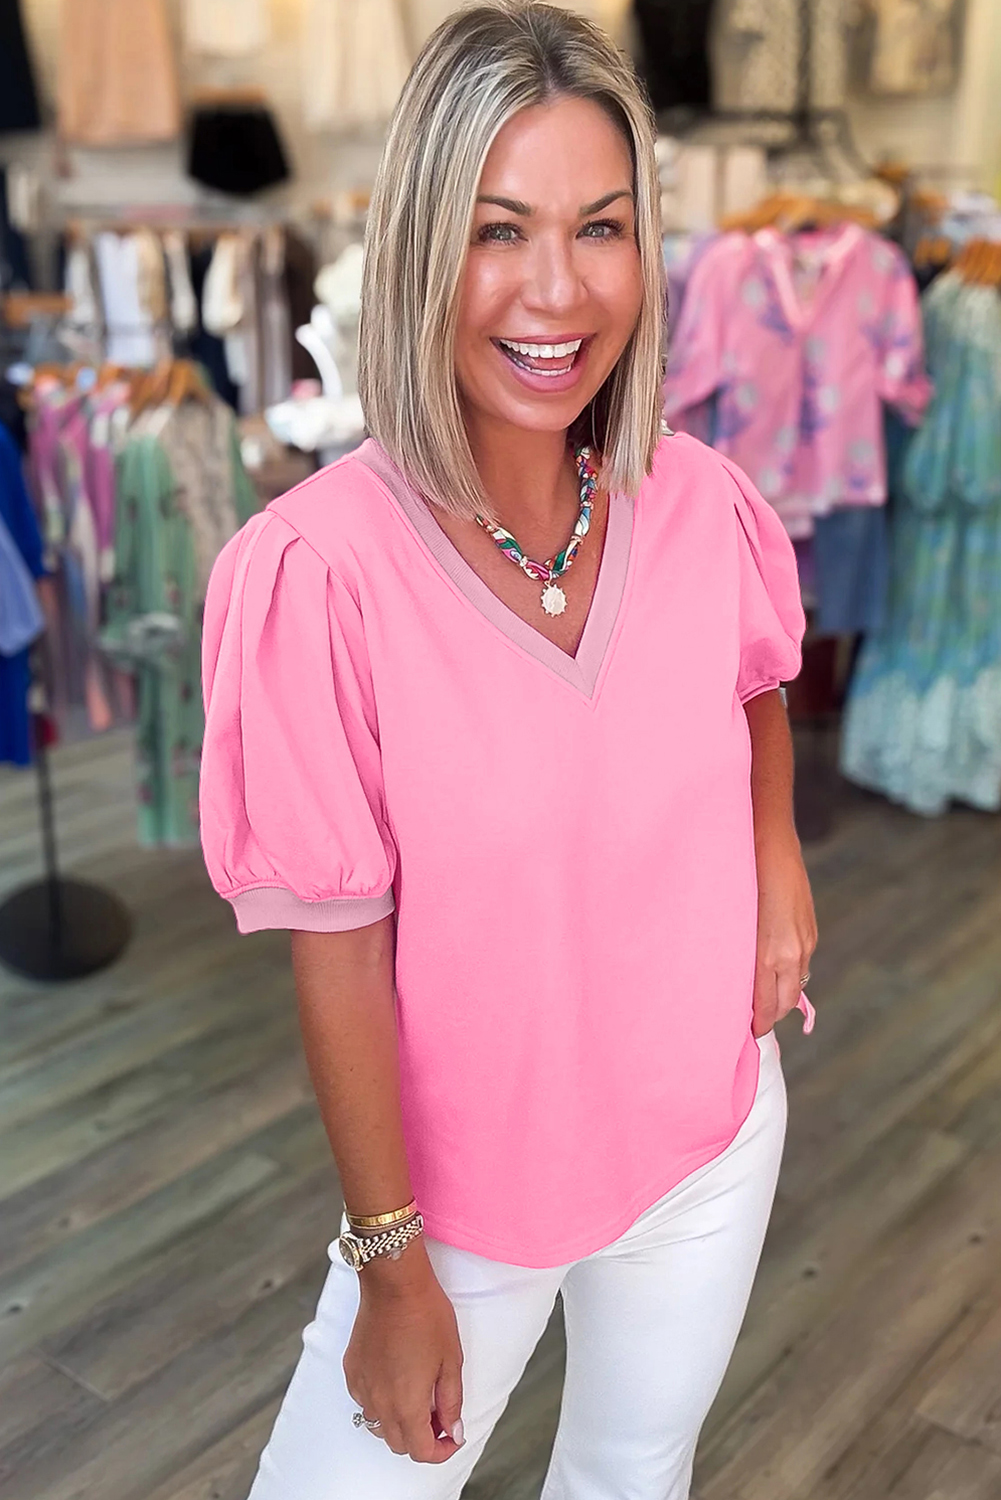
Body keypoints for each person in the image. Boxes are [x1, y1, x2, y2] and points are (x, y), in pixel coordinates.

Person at [198, 4, 818, 1496]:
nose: (557, 288)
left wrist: (775, 849)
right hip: (458, 1209)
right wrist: (390, 1260)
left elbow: (750, 682)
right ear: (423, 245)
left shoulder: (697, 500)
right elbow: (338, 941)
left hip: (707, 1133)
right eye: (499, 230)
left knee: (632, 1472)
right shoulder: (319, 572)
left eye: (601, 227)